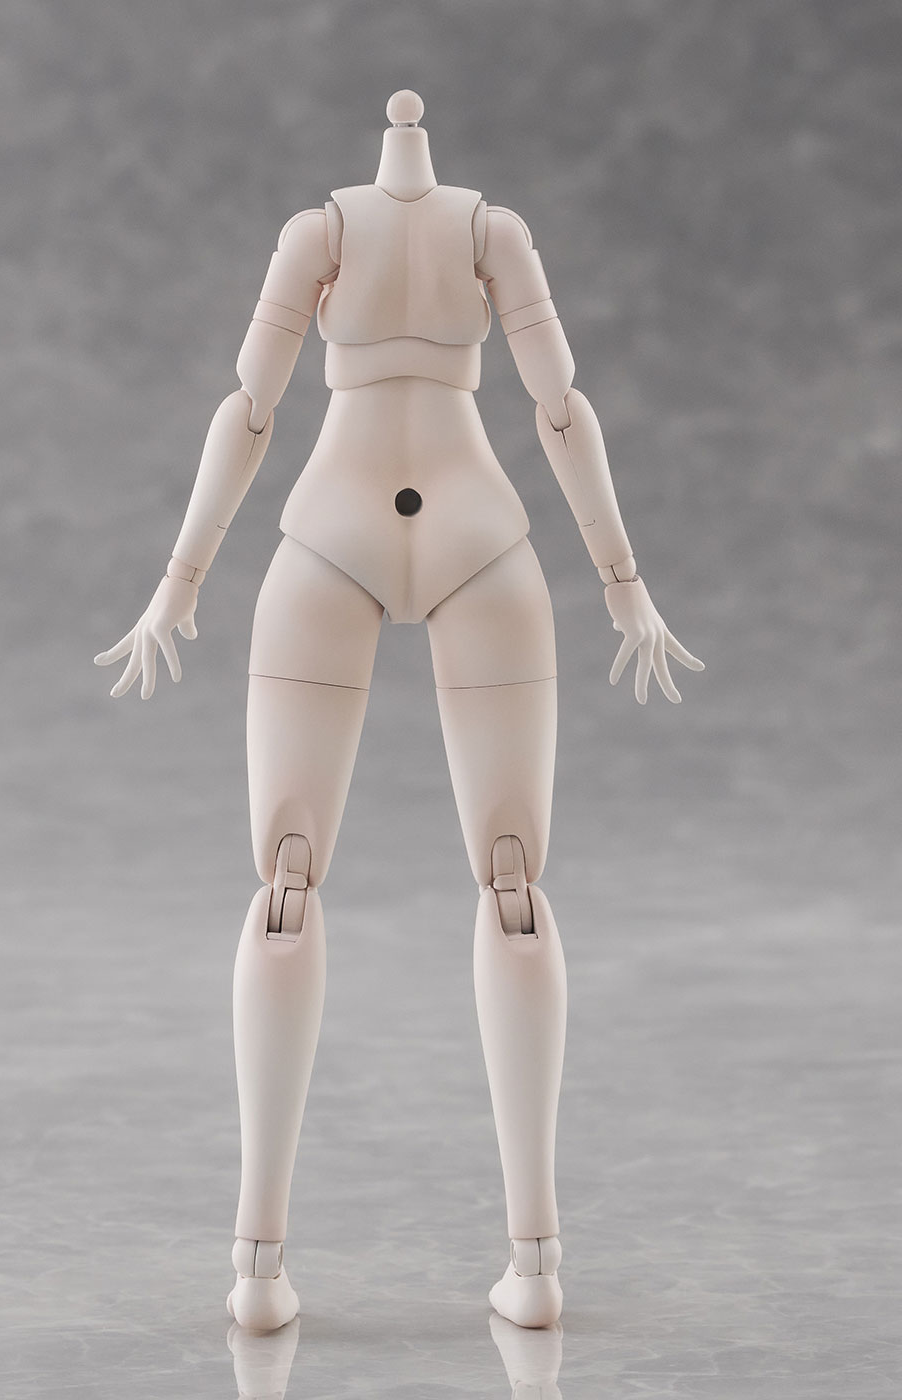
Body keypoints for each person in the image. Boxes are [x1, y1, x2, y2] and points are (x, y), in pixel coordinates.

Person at [96, 90, 703, 1331]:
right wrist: (622, 584)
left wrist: (180, 582)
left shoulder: (320, 233)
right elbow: (559, 407)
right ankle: (532, 1265)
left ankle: (259, 1270)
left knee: (291, 882)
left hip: (334, 528)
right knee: (509, 884)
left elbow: (250, 408)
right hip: (481, 534)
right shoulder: (492, 232)